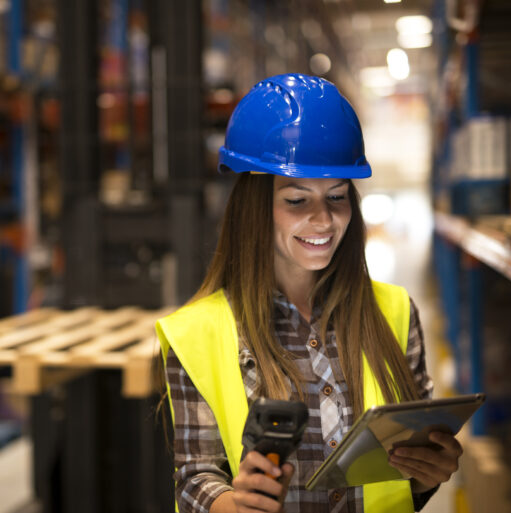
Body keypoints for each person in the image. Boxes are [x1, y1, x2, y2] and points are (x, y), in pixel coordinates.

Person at [156, 74, 462, 513]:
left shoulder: (394, 311)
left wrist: (428, 474)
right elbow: (194, 476)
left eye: (336, 197)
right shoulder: (196, 334)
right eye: (298, 201)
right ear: (255, 209)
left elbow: (406, 467)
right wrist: (233, 504)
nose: (323, 220)